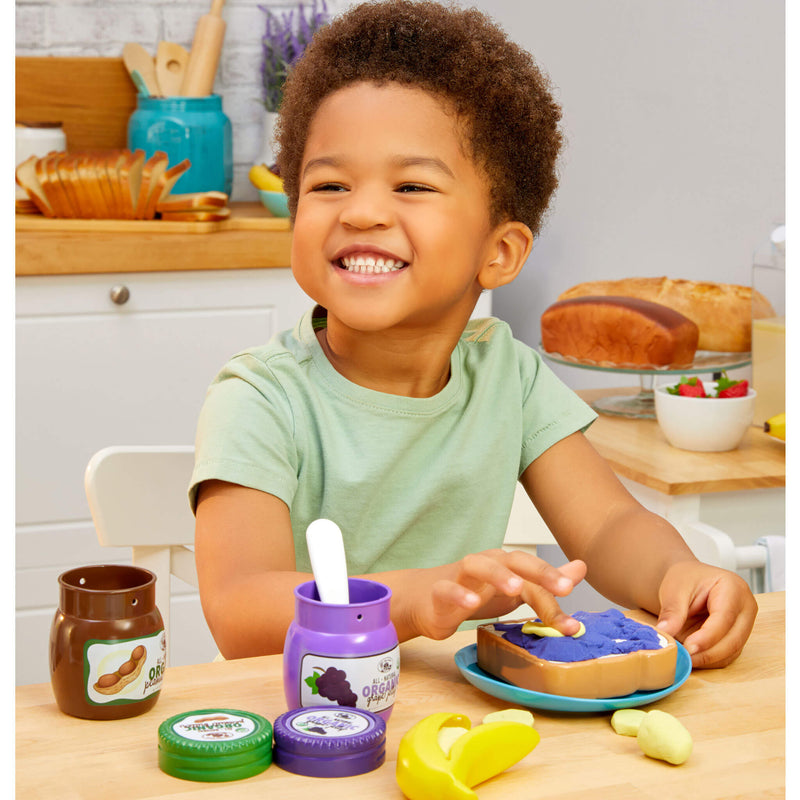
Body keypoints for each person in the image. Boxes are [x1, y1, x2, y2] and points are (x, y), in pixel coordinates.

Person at [190, 0, 756, 668]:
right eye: (330, 183)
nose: (363, 211)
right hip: (309, 734)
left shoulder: (506, 377)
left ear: (501, 253)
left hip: (461, 716)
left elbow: (608, 527)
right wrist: (414, 599)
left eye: (412, 186)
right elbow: (238, 608)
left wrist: (676, 576)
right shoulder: (260, 397)